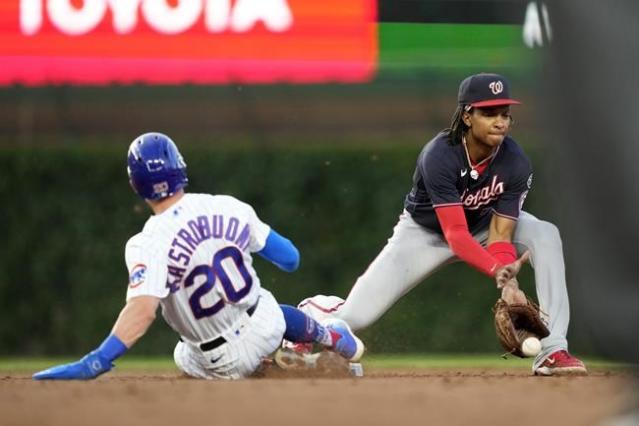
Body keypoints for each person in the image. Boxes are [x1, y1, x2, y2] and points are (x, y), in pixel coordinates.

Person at [294, 73, 586, 376]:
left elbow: (501, 232)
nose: (499, 121)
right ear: (467, 116)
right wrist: (496, 270)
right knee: (355, 317)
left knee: (545, 233)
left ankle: (553, 350)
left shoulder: (515, 162)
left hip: (485, 226)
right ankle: (314, 311)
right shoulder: (440, 155)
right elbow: (456, 234)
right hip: (425, 234)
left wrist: (509, 284)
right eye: (488, 113)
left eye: (504, 113)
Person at [33, 132, 364, 381]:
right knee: (266, 305)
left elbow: (142, 310)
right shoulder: (229, 206)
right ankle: (327, 336)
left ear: (136, 184)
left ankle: (287, 367)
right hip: (266, 325)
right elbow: (291, 259)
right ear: (180, 168)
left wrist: (95, 361)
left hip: (218, 361)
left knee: (182, 354)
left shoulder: (145, 243)